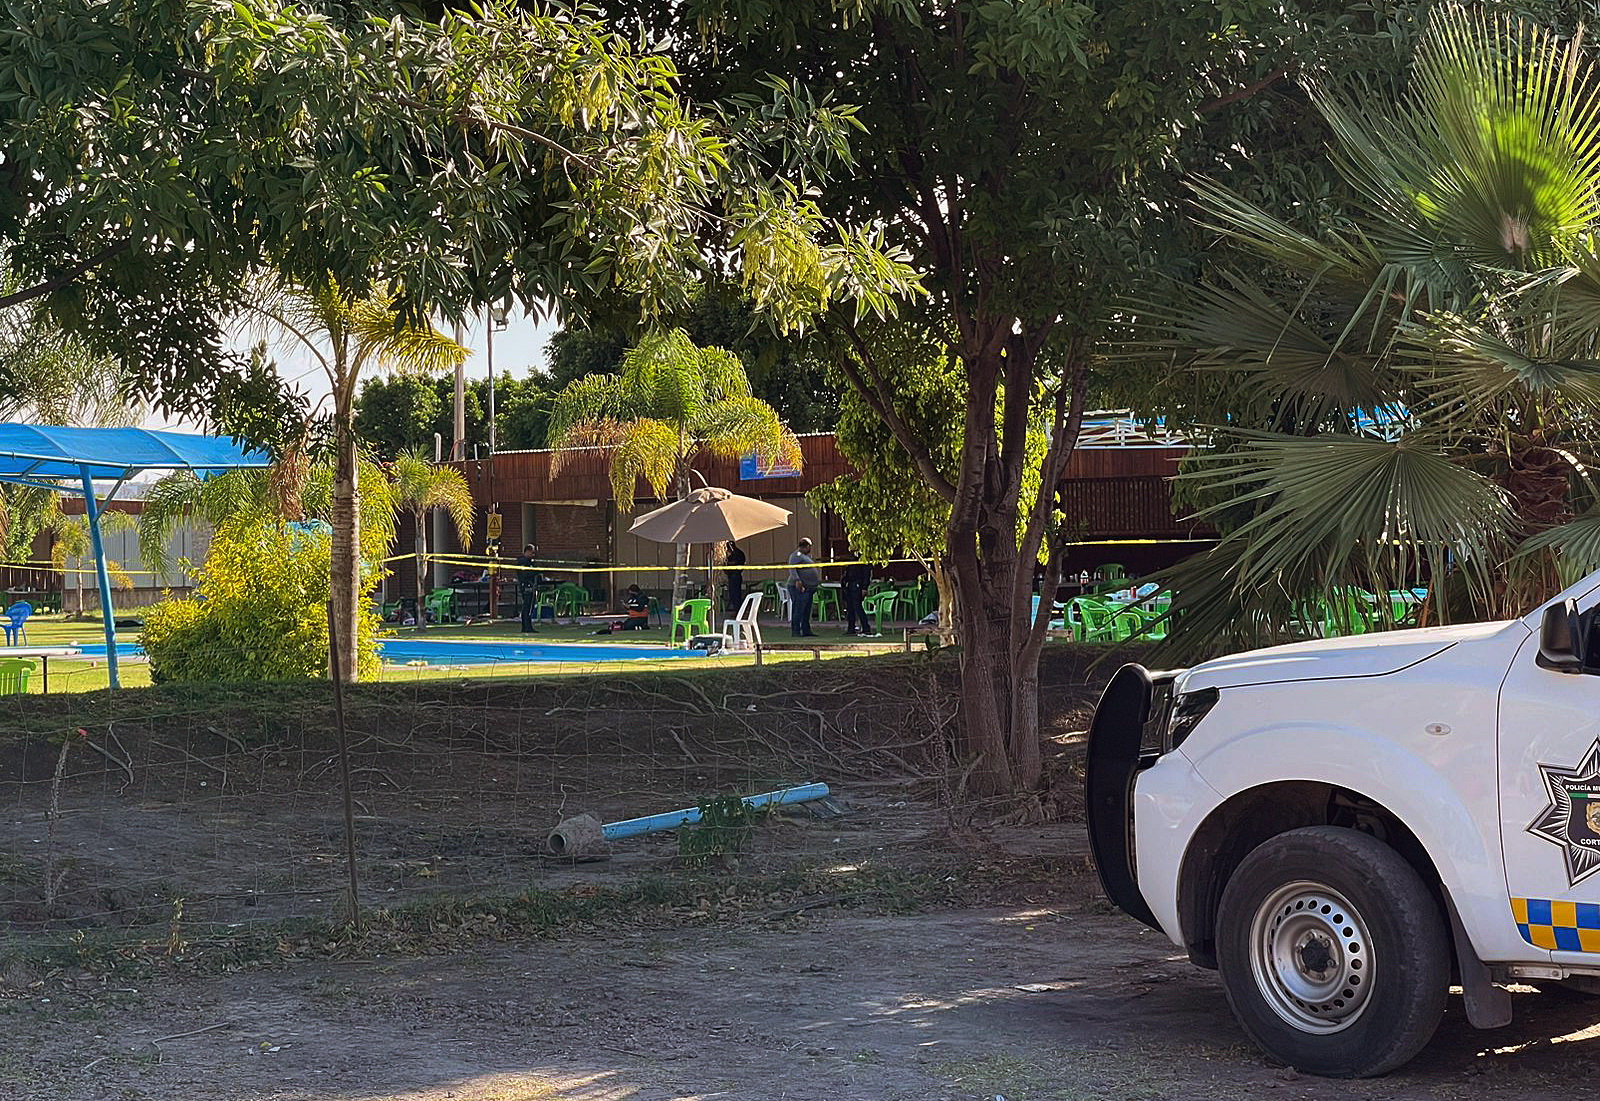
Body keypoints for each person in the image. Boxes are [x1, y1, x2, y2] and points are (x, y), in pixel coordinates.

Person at [787, 536, 820, 637]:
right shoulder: (796, 555)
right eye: (809, 547)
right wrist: (798, 580)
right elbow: (792, 569)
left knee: (806, 610)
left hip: (808, 588)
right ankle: (796, 631)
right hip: (799, 587)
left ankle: (806, 630)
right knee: (798, 609)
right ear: (807, 546)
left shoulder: (805, 556)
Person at [841, 552, 872, 635]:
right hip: (850, 585)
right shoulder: (851, 561)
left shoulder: (863, 561)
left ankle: (866, 627)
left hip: (858, 585)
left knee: (857, 607)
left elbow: (867, 575)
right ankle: (851, 628)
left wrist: (864, 587)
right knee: (850, 608)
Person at [515, 543, 543, 633]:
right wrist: (536, 571)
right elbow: (526, 574)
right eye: (532, 553)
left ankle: (527, 626)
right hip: (526, 586)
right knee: (527, 607)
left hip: (529, 586)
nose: (533, 555)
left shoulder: (529, 562)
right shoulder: (522, 562)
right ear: (527, 551)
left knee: (528, 607)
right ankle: (526, 627)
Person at [722, 540, 746, 616]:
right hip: (732, 576)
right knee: (733, 594)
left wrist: (727, 564)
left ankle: (738, 611)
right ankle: (737, 610)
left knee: (736, 594)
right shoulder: (734, 554)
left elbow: (736, 563)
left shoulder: (737, 554)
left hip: (735, 576)